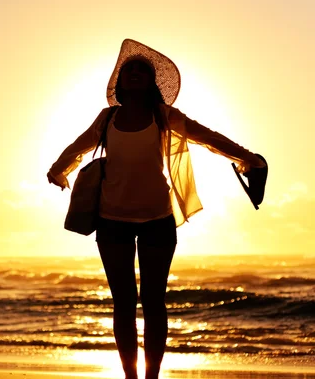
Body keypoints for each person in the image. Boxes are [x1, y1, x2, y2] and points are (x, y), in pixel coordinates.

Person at [46, 39, 266, 379]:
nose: (134, 73)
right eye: (129, 70)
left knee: (153, 301)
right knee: (123, 302)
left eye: (142, 70)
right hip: (111, 221)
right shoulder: (106, 119)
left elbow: (208, 137)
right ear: (119, 83)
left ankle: (151, 376)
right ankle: (131, 377)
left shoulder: (164, 116)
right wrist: (58, 169)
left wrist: (246, 157)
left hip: (157, 221)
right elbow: (79, 146)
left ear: (152, 83)